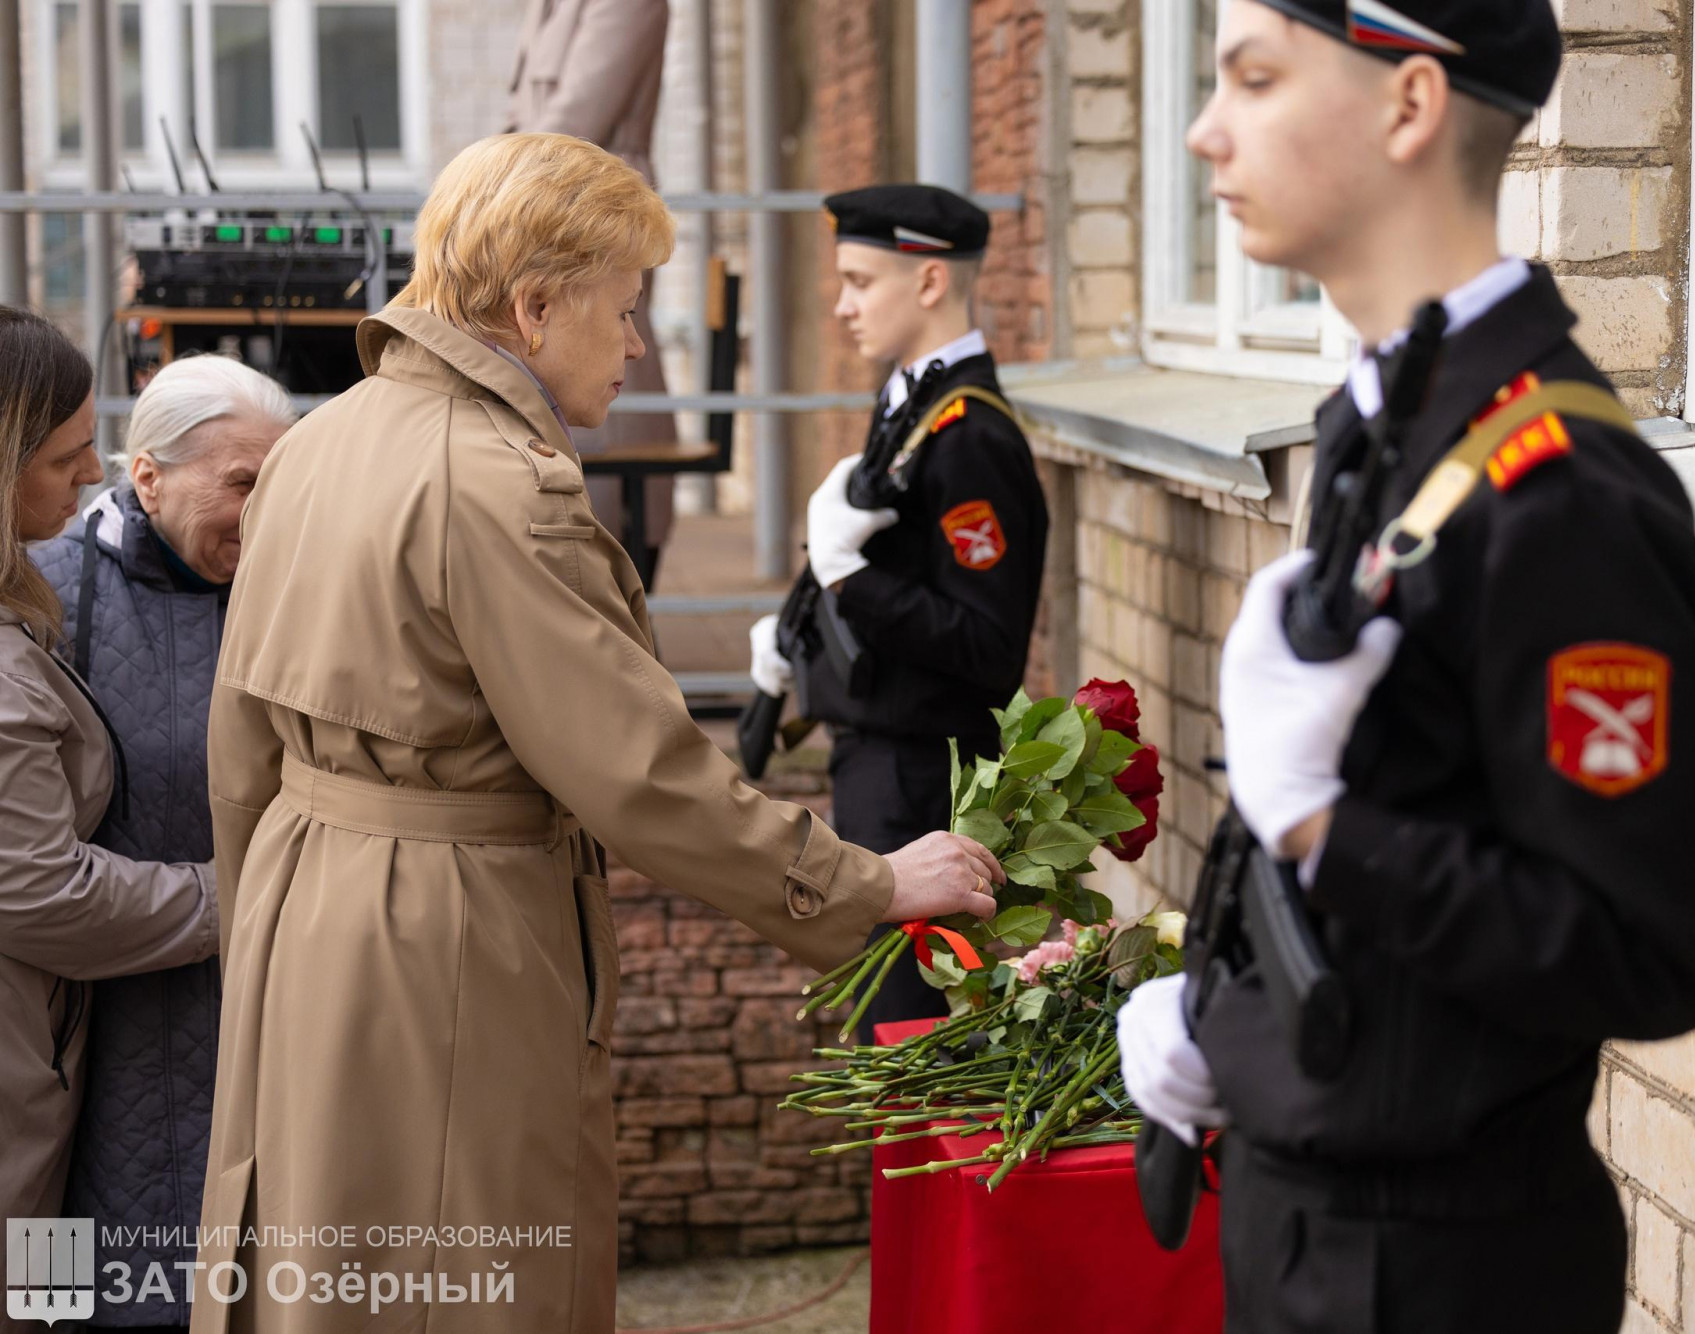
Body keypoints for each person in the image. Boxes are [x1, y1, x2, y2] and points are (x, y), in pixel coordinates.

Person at [192, 134, 1000, 1334]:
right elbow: (643, 773)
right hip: (448, 936)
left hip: (299, 914)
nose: (634, 344)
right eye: (622, 308)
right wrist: (866, 880)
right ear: (532, 306)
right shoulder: (495, 481)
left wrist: (255, 925)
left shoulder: (313, 442)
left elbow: (238, 744)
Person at [1115, 3, 1695, 1331]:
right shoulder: (1391, 419)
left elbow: (1640, 951)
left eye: (1256, 78)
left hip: (1433, 1273)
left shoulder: (1557, 490)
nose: (1203, 129)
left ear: (1408, 107)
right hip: (1322, 1222)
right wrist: (1231, 1016)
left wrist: (1325, 828)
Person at [32, 354, 294, 1333]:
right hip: (77, 1040)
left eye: (279, 482)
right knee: (57, 1290)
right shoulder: (45, 598)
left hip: (255, 1020)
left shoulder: (300, 591)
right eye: (240, 483)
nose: (263, 512)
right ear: (145, 476)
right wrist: (251, 897)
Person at [748, 185, 1049, 1027]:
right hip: (884, 758)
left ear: (927, 282)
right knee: (886, 1019)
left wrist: (849, 579)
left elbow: (988, 646)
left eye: (860, 281)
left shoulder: (971, 435)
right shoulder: (911, 402)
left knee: (907, 1021)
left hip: (922, 771)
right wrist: (808, 628)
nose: (842, 306)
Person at [0, 308, 219, 1272]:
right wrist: (245, 895)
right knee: (33, 1290)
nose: (88, 475)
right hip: (17, 1077)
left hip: (41, 1057)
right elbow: (42, 894)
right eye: (66, 456)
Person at [506, 0, 676, 566]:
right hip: (534, 214)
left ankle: (620, 532)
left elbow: (574, 121)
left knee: (609, 359)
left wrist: (493, 191)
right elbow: (517, 119)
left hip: (592, 208)